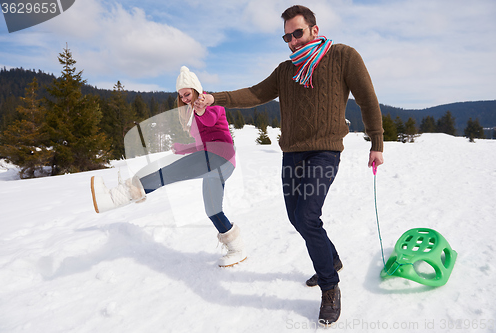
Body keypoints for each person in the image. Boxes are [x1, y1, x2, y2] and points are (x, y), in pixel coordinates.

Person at [195, 5, 384, 326]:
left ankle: (330, 287)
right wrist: (215, 98)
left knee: (308, 215)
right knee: (296, 218)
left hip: (325, 151)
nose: (293, 41)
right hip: (292, 153)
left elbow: (367, 98)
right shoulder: (286, 70)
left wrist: (376, 142)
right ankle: (332, 259)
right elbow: (255, 93)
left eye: (298, 33)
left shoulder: (343, 56)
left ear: (314, 29)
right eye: (287, 36)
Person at [90, 66, 247, 268]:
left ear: (197, 90)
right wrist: (184, 148)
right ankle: (237, 248)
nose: (185, 99)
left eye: (187, 94)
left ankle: (114, 197)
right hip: (213, 160)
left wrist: (200, 111)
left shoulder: (213, 107)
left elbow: (209, 120)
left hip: (220, 156)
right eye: (181, 96)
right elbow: (202, 143)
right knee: (213, 210)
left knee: (167, 173)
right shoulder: (193, 114)